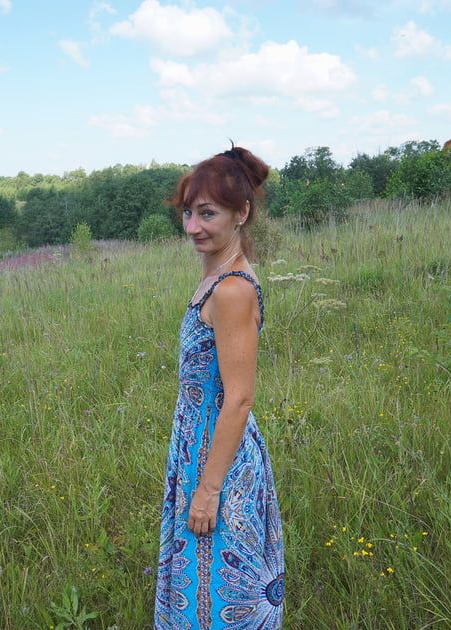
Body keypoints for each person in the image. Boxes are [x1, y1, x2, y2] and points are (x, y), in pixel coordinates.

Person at [154, 145, 285, 628]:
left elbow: (240, 397)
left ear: (241, 213)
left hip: (218, 463)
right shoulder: (215, 279)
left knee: (219, 600)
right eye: (188, 212)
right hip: (200, 451)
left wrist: (208, 491)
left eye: (207, 213)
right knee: (202, 593)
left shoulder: (231, 290)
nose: (192, 227)